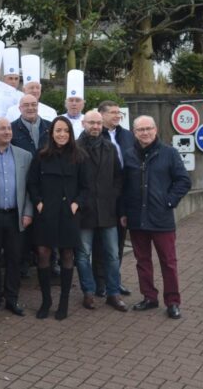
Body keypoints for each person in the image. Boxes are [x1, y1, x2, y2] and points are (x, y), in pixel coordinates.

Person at [123, 115, 192, 319]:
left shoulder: (169, 153)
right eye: (140, 129)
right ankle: (149, 297)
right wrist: (124, 211)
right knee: (142, 261)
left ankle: (173, 302)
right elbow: (123, 187)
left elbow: (183, 181)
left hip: (161, 218)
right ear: (134, 133)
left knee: (168, 262)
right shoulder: (128, 155)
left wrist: (168, 202)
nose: (145, 133)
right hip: (137, 218)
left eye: (148, 128)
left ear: (155, 130)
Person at [27, 117, 90, 320]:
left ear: (70, 133)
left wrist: (76, 204)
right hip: (46, 212)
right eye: (58, 130)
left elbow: (86, 187)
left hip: (68, 213)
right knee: (43, 253)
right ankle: (46, 301)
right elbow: (32, 183)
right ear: (51, 133)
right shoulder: (41, 155)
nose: (62, 134)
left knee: (67, 255)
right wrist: (38, 202)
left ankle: (63, 302)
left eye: (65, 131)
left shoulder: (80, 156)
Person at [0, 118, 34, 315]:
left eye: (9, 128)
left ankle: (12, 298)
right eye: (2, 128)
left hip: (15, 216)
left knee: (14, 258)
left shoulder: (24, 155)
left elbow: (30, 188)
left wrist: (28, 212)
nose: (7, 132)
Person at [74, 111, 127, 311]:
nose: (95, 126)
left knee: (112, 254)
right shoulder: (74, 148)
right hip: (84, 210)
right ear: (83, 123)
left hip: (107, 210)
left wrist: (112, 195)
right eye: (91, 123)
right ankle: (88, 292)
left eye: (98, 123)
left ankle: (113, 293)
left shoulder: (110, 147)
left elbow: (118, 176)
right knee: (83, 254)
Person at [98, 99, 134, 297]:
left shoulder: (127, 135)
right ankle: (100, 282)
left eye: (118, 112)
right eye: (112, 112)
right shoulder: (96, 134)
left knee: (118, 242)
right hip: (102, 196)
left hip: (123, 195)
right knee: (101, 242)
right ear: (102, 114)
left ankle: (115, 280)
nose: (117, 115)